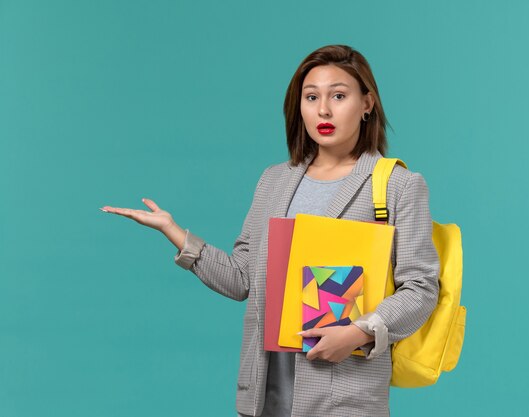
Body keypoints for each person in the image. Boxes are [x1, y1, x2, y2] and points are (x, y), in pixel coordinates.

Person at [101, 44, 440, 417]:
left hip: (344, 398)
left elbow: (421, 288)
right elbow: (241, 279)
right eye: (311, 97)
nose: (323, 110)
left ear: (367, 104)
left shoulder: (397, 185)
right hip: (267, 395)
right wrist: (175, 232)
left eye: (338, 96)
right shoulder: (274, 181)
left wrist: (359, 331)